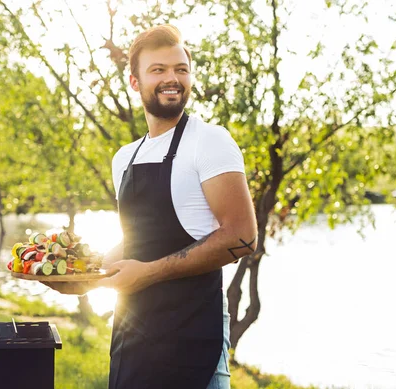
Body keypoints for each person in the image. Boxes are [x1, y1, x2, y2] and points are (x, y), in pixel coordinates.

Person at [44, 24, 257, 389]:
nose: (171, 78)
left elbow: (242, 237)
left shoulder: (209, 141)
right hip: (133, 335)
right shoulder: (124, 158)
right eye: (158, 70)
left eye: (180, 69)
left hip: (194, 337)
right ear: (134, 82)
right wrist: (86, 278)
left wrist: (149, 274)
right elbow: (138, 240)